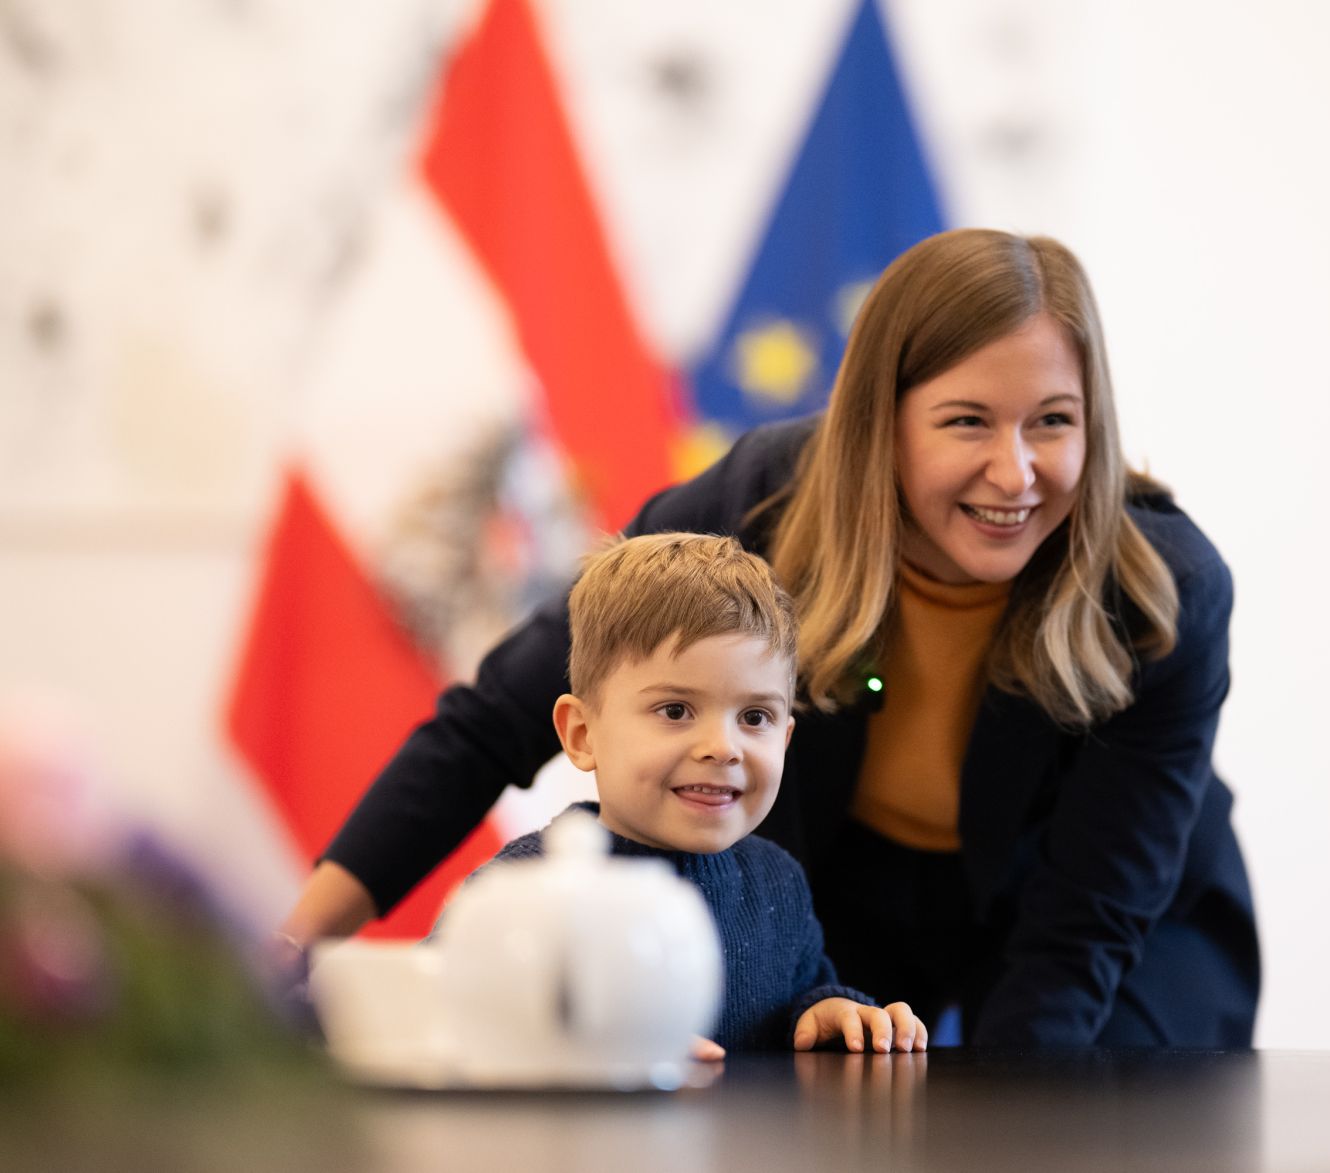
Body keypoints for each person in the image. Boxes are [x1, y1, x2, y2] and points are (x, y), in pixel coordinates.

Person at [279, 228, 1259, 1049]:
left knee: (1087, 1108)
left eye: (1052, 423)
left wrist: (1004, 1123)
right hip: (851, 892)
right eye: (965, 422)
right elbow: (496, 718)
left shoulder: (1163, 593)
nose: (1014, 473)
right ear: (883, 422)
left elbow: (1078, 931)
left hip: (1114, 917)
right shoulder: (760, 502)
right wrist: (293, 951)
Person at [461, 531, 925, 1054]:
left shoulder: (778, 883)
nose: (723, 748)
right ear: (582, 734)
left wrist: (827, 1010)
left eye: (755, 717)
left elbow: (801, 992)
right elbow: (447, 1014)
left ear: (786, 739)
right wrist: (601, 1048)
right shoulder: (525, 888)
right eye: (676, 710)